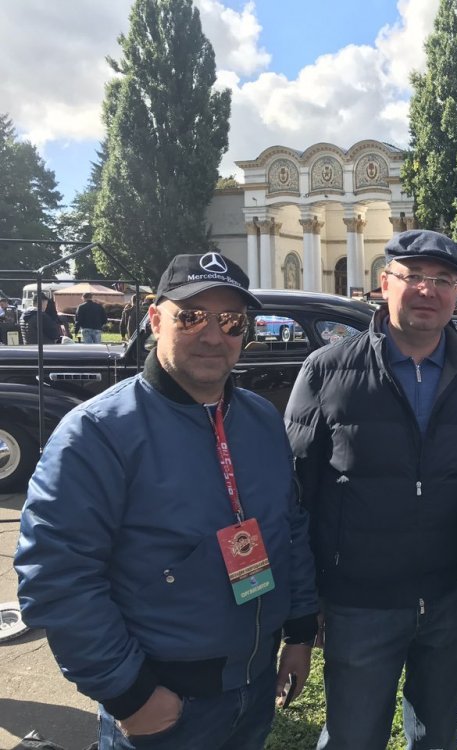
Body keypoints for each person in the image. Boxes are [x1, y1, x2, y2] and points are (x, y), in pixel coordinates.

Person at [15, 252, 319, 750]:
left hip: (255, 683)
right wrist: (130, 693)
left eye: (231, 321)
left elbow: (290, 526)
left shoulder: (261, 419)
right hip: (164, 702)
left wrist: (300, 632)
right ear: (155, 319)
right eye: (192, 316)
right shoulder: (96, 432)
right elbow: (57, 576)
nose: (213, 335)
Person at [284, 229, 457, 750]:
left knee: (438, 738)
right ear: (385, 283)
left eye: (444, 280)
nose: (428, 290)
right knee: (353, 738)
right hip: (359, 602)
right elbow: (295, 492)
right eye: (414, 276)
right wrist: (303, 604)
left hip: (451, 600)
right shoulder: (328, 370)